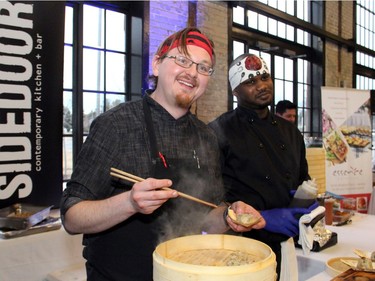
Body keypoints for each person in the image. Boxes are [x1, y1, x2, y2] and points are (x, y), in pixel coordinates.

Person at [60, 28, 265, 281]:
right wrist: (130, 203)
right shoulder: (116, 125)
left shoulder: (206, 137)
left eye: (203, 67)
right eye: (182, 60)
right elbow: (71, 216)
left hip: (183, 274)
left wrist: (228, 215)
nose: (192, 73)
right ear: (157, 64)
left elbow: (205, 219)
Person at [209, 53, 317, 280]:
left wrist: (305, 203)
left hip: (282, 241)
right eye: (250, 82)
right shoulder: (218, 131)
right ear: (235, 91)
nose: (261, 86)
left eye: (264, 77)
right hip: (238, 245)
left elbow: (302, 179)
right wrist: (259, 216)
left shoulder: (290, 132)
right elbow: (209, 200)